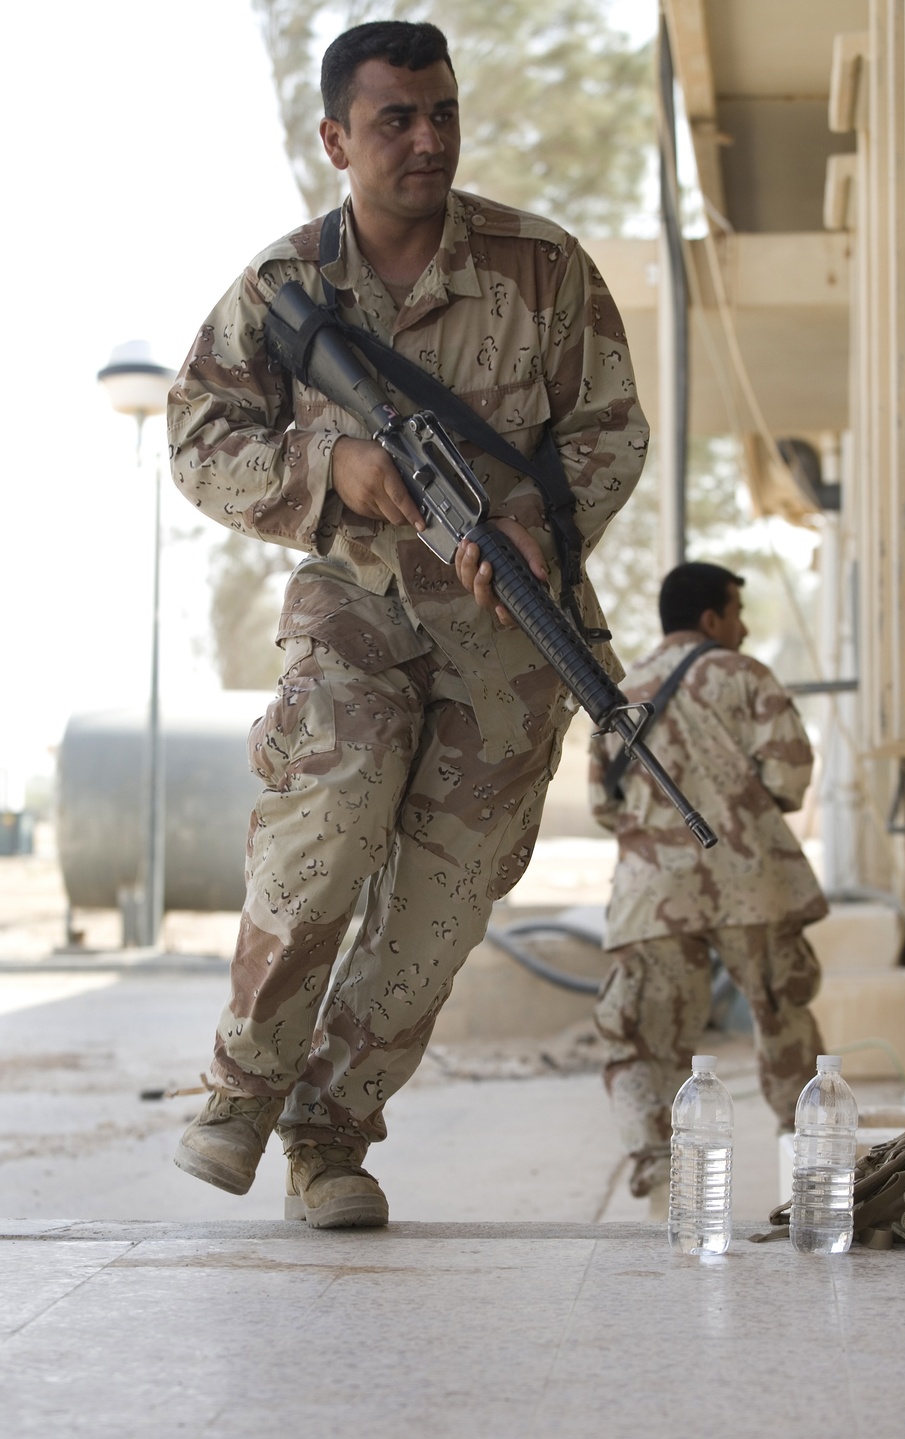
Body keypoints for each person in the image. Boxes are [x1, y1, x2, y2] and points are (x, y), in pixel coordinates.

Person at [166, 19, 648, 1228]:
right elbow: (197, 437)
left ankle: (329, 1142)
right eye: (395, 120)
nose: (426, 139)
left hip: (507, 619)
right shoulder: (286, 287)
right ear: (336, 138)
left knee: (447, 897)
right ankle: (240, 1092)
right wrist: (332, 468)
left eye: (442, 114)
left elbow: (609, 427)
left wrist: (543, 526)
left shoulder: (542, 267)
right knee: (329, 817)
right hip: (355, 604)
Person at [588, 561, 828, 1216]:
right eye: (738, 614)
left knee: (641, 1036)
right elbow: (787, 775)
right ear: (711, 619)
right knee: (782, 1017)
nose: (745, 629)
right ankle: (808, 1168)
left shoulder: (618, 686)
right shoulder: (744, 675)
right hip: (751, 882)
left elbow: (602, 803)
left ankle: (661, 1184)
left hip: (652, 889)